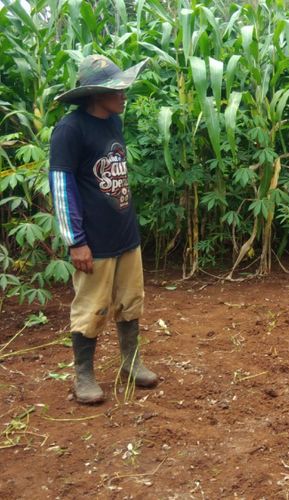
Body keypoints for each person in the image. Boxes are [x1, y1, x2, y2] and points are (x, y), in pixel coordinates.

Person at [49, 55, 158, 404]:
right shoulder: (70, 130)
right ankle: (84, 376)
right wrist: (75, 241)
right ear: (96, 94)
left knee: (130, 302)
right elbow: (62, 188)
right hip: (93, 242)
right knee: (92, 309)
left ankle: (130, 362)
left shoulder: (113, 122)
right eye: (117, 89)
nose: (124, 94)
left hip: (125, 235)